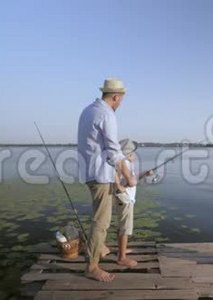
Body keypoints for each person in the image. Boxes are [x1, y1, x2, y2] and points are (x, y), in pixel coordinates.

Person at [77, 78, 136, 282]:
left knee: (97, 216)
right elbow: (113, 151)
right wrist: (129, 176)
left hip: (88, 172)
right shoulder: (107, 114)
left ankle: (98, 247)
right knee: (101, 222)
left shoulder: (88, 110)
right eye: (120, 100)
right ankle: (91, 266)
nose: (120, 104)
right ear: (115, 97)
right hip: (101, 174)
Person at [113, 139, 153, 267]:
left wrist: (143, 174)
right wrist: (121, 189)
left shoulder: (125, 163)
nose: (134, 156)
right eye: (132, 153)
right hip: (126, 200)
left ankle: (122, 250)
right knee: (125, 228)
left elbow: (130, 179)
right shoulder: (123, 163)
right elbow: (128, 182)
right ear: (128, 154)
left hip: (124, 198)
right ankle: (122, 257)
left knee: (121, 226)